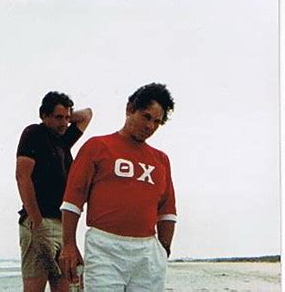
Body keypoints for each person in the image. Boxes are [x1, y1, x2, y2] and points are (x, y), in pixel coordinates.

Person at [59, 83, 177, 292]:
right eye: (146, 117)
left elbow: (167, 211)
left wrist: (163, 250)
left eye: (157, 122)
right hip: (105, 248)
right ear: (130, 109)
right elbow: (72, 200)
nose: (150, 126)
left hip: (147, 253)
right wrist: (68, 244)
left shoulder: (161, 160)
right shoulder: (97, 147)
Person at [15, 91, 92, 292]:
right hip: (39, 222)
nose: (64, 123)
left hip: (62, 225)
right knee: (35, 286)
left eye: (67, 118)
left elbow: (87, 115)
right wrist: (37, 223)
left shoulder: (63, 140)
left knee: (67, 285)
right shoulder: (34, 134)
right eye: (58, 117)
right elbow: (23, 177)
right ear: (44, 115)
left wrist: (65, 116)